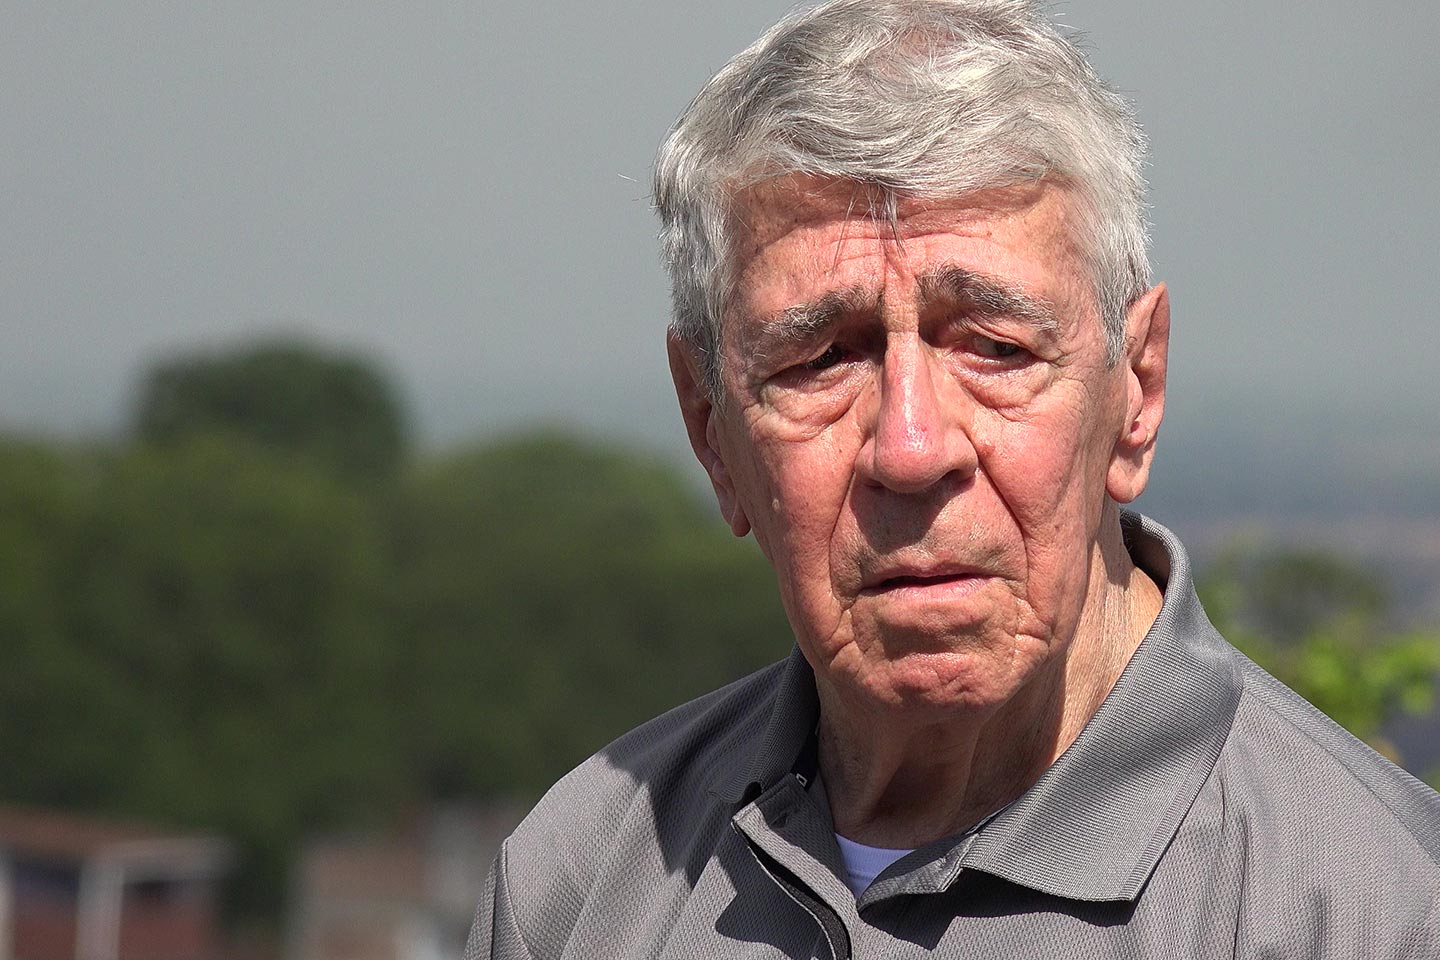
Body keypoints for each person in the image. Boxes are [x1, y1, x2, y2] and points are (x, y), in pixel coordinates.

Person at [465, 1, 1440, 956]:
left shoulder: (1374, 913)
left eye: (993, 347)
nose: (912, 449)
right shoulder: (580, 886)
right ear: (712, 431)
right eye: (821, 360)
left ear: (1136, 389)